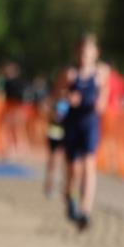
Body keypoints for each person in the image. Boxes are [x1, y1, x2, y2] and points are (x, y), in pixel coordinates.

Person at [63, 34, 110, 230]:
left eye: (88, 51)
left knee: (89, 164)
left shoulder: (102, 72)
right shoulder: (69, 74)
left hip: (90, 122)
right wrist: (67, 97)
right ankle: (70, 197)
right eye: (81, 51)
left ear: (95, 53)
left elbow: (104, 99)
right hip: (72, 123)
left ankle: (85, 210)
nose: (84, 55)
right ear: (76, 52)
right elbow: (56, 96)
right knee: (74, 168)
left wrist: (101, 102)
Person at [43, 68, 76, 198]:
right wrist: (52, 114)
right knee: (54, 158)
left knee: (68, 161)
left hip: (68, 131)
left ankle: (66, 187)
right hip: (55, 131)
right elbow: (46, 109)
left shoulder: (71, 97)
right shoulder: (54, 97)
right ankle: (50, 184)